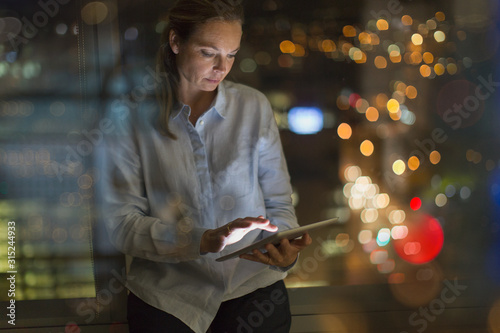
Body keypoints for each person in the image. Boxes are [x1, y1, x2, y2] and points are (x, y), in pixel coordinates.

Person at [99, 0, 312, 332]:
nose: (221, 68)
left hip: (253, 292)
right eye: (208, 53)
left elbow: (279, 205)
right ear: (175, 42)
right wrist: (200, 240)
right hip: (168, 301)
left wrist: (285, 250)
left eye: (231, 55)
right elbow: (121, 225)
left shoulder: (253, 106)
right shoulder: (131, 118)